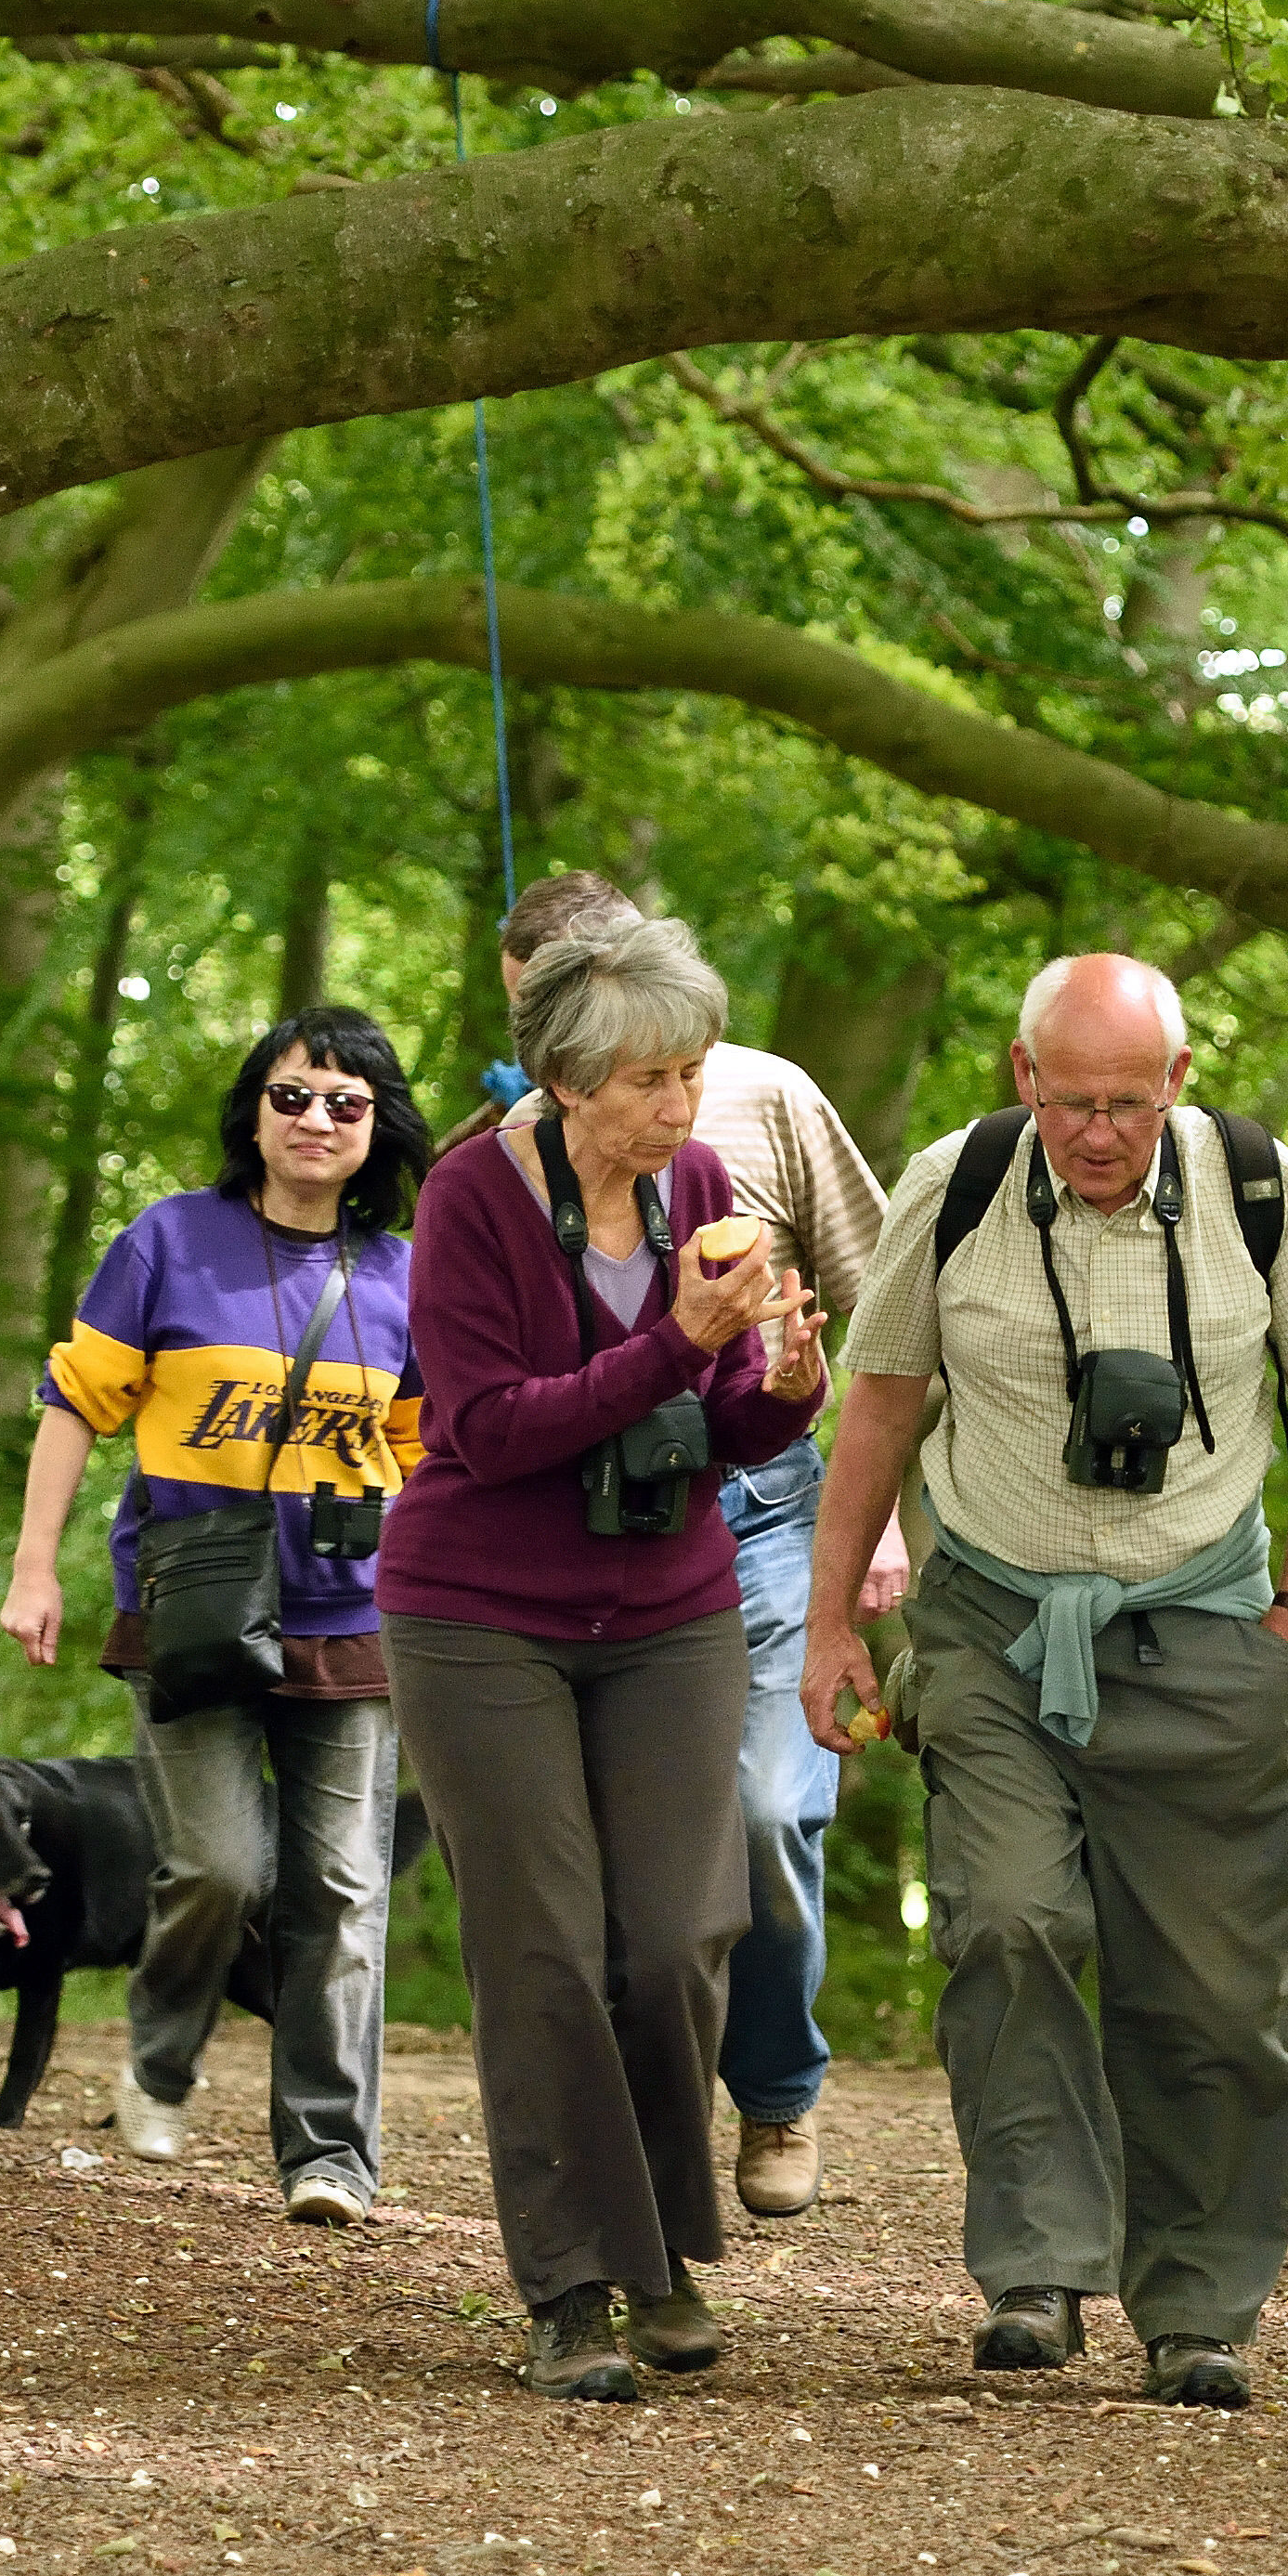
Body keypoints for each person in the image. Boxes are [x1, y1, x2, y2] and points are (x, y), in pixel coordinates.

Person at [800, 954, 1288, 2409]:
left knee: (1211, 1992)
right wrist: (832, 1627)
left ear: (1178, 1087)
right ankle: (1036, 2266)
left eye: (1127, 1104)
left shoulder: (1262, 1191)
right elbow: (878, 1407)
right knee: (1007, 1920)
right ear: (1024, 1078)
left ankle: (1199, 2305)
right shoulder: (953, 1189)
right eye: (1069, 1101)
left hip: (1208, 1632)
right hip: (994, 1623)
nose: (1095, 1133)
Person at [379, 914, 833, 2401]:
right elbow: (490, 1427)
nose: (679, 1110)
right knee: (548, 1951)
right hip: (480, 1614)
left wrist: (786, 1386)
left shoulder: (699, 1189)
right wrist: (672, 1341)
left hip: (669, 1610)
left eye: (692, 1074)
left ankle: (665, 2250)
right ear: (567, 1082)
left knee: (680, 1937)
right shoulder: (469, 1198)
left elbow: (719, 1433)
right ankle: (577, 2286)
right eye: (647, 1080)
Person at [485, 869, 908, 2221]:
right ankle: (641, 2137)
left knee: (777, 1811)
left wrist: (879, 1510)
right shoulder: (500, 1154)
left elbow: (885, 1299)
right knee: (624, 1871)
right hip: (608, 1532)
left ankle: (776, 2091)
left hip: (777, 1513)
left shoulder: (768, 1100)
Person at [1, 1005, 432, 2224]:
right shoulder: (170, 1242)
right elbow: (74, 1404)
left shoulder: (407, 1275)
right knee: (220, 1866)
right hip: (191, 1603)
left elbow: (435, 1451)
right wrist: (35, 1567)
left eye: (346, 1104)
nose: (316, 1121)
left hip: (353, 1616)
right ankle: (159, 2055)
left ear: (376, 1130)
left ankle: (329, 2154)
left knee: (344, 1891)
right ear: (254, 1110)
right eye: (293, 1095)